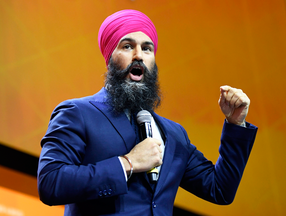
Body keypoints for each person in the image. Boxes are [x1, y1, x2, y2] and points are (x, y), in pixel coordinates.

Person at [37, 9, 258, 216]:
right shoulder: (78, 113)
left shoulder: (174, 134)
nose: (138, 56)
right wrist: (127, 163)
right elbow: (50, 183)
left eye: (147, 48)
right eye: (127, 46)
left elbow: (219, 189)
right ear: (109, 57)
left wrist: (235, 124)